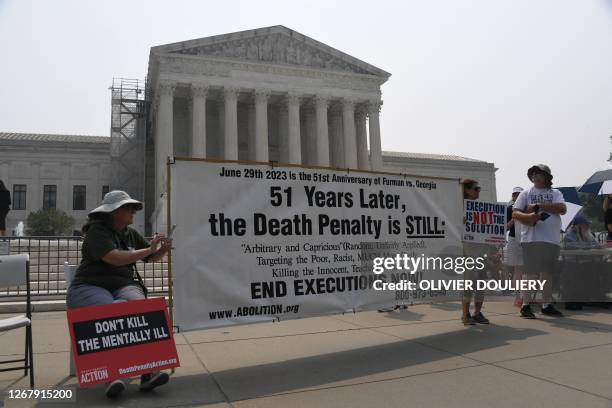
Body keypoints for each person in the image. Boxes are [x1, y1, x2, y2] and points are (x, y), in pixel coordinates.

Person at [66, 190, 172, 398]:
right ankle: (110, 375)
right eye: (128, 208)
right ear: (114, 212)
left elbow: (150, 258)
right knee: (109, 311)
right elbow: (114, 258)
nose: (133, 211)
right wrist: (148, 249)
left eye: (133, 208)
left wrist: (163, 249)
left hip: (122, 285)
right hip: (89, 286)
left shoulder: (129, 232)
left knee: (144, 310)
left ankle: (148, 373)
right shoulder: (97, 231)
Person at [513, 164, 567, 319]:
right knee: (530, 273)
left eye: (538, 173)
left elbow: (562, 208)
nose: (535, 176)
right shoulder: (525, 193)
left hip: (551, 239)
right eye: (533, 173)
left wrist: (539, 206)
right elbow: (515, 213)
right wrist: (528, 217)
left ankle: (546, 304)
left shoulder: (555, 192)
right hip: (531, 239)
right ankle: (525, 305)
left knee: (547, 273)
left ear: (546, 177)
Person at [461, 179, 495, 325]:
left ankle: (477, 312)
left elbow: (490, 227)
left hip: (483, 248)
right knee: (469, 282)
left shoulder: (482, 208)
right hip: (469, 249)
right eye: (476, 188)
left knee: (481, 282)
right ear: (467, 190)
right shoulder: (460, 207)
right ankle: (465, 313)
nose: (479, 191)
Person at [503, 187, 524, 303]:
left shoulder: (528, 208)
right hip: (514, 239)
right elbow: (505, 227)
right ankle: (517, 296)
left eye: (520, 194)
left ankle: (525, 296)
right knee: (518, 269)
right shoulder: (509, 209)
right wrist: (514, 218)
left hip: (526, 240)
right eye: (515, 194)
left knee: (525, 270)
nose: (517, 196)